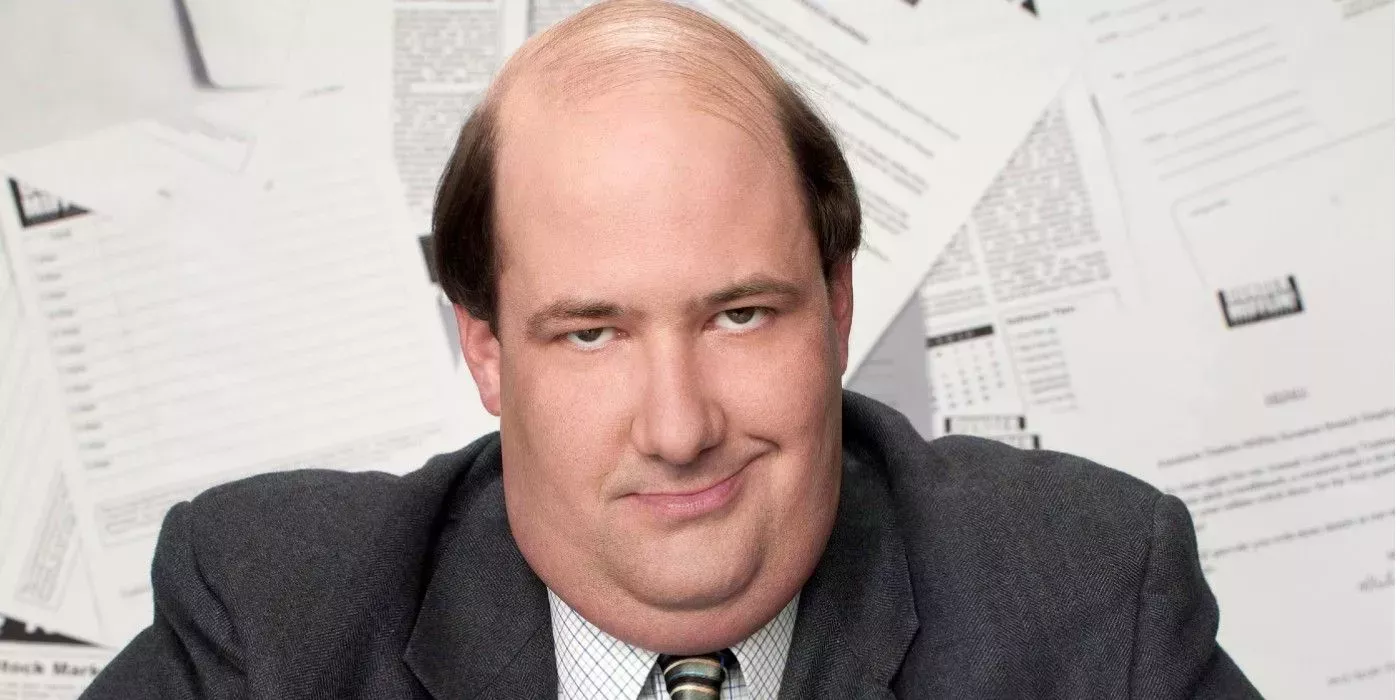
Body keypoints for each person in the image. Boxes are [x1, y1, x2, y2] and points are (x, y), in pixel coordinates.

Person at [81, 1, 1262, 698]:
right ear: (485, 350)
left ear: (836, 305)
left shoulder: (1089, 598)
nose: (679, 425)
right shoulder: (272, 625)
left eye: (739, 314)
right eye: (591, 332)